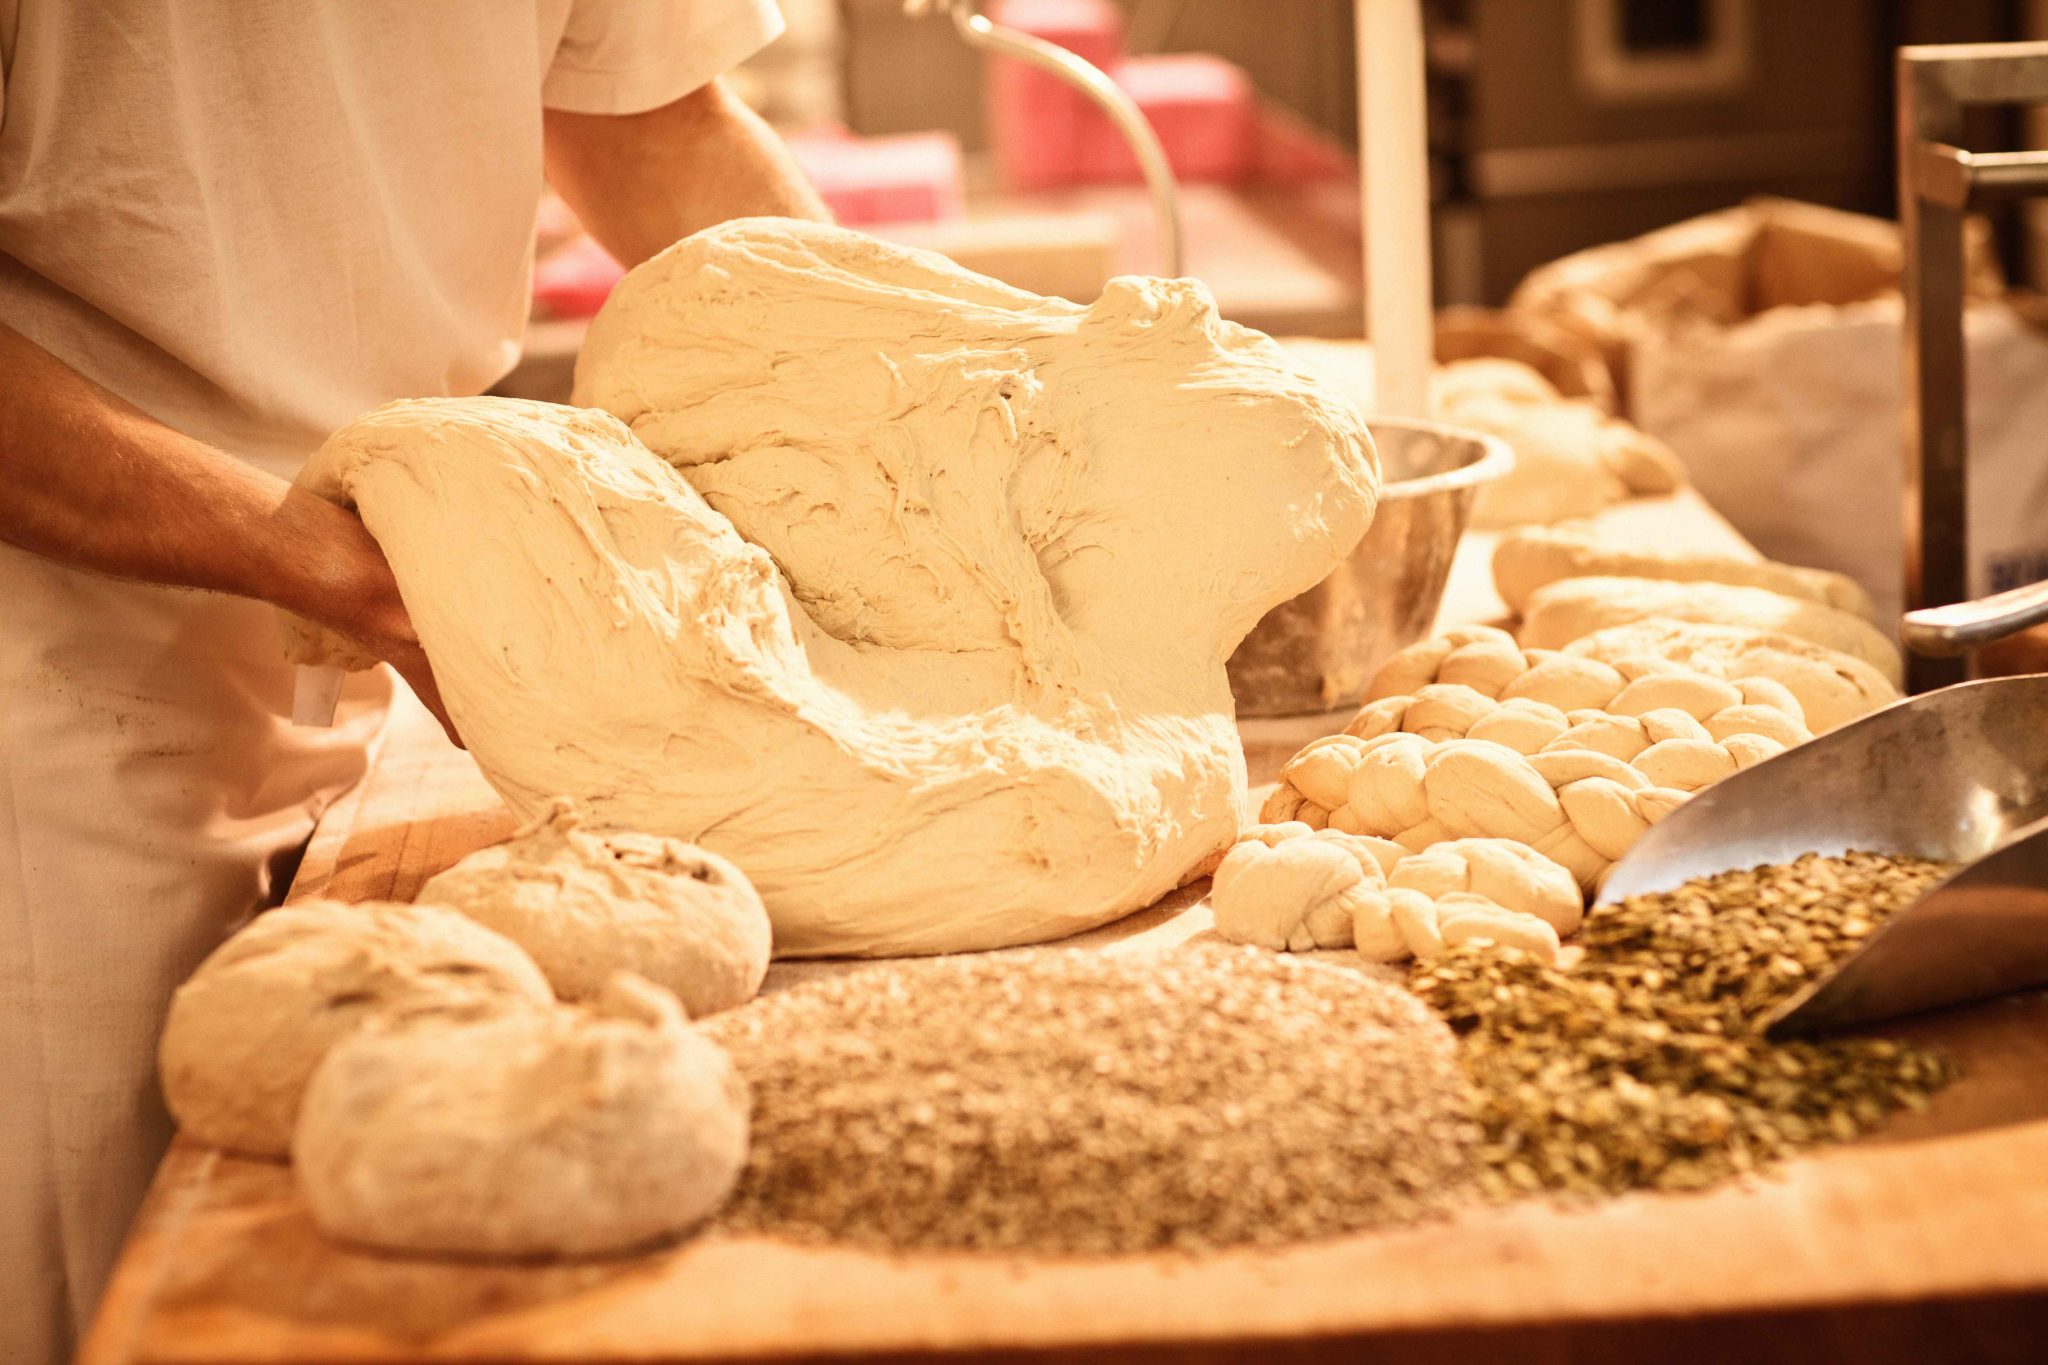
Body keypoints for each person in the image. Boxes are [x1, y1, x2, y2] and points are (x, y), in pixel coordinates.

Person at [0, 3, 827, 1359]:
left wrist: (890, 375)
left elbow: (651, 120)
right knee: (120, 1289)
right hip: (55, 693)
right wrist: (361, 570)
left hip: (375, 592)